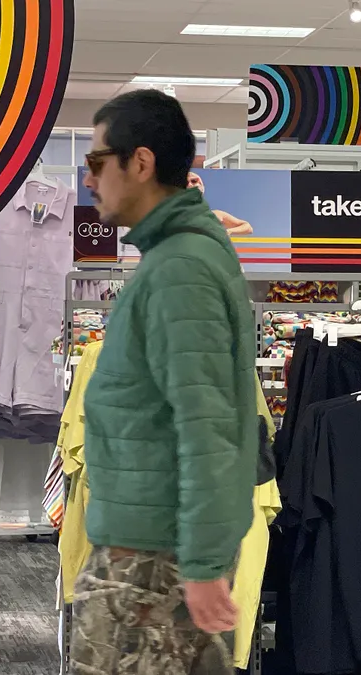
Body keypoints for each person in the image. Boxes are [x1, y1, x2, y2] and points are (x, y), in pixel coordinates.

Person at [72, 89, 258, 674]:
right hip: (153, 545)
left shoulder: (179, 269)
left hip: (151, 558)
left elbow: (207, 425)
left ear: (142, 163)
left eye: (98, 162)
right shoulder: (177, 258)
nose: (88, 179)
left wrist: (201, 566)